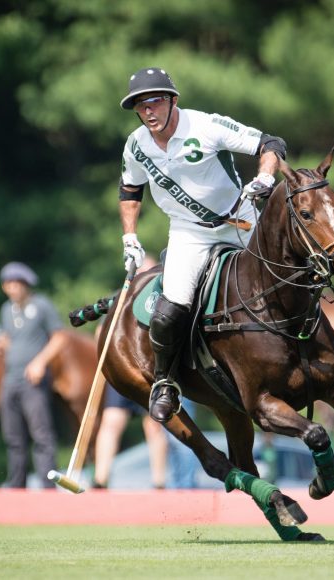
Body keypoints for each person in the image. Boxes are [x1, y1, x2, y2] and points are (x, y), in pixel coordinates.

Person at [118, 66, 286, 423]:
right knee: (169, 310)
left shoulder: (205, 126)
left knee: (285, 278)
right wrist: (130, 236)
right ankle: (165, 382)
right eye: (140, 105)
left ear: (172, 100)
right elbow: (130, 190)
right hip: (188, 232)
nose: (148, 110)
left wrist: (265, 177)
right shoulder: (137, 145)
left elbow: (271, 144)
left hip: (239, 220)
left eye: (155, 101)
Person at [92, 256, 168, 489]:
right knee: (112, 421)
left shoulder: (165, 296)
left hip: (151, 372)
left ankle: (158, 483)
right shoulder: (122, 294)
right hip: (123, 369)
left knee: (154, 425)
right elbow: (100, 332)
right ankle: (100, 480)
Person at [0, 262, 63, 489]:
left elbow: (60, 337)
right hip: (10, 379)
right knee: (13, 436)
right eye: (9, 284)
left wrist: (40, 362)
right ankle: (16, 483)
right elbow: (8, 338)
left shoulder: (42, 305)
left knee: (41, 434)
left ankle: (47, 485)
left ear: (26, 285)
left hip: (34, 380)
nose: (13, 288)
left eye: (17, 284)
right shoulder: (6, 309)